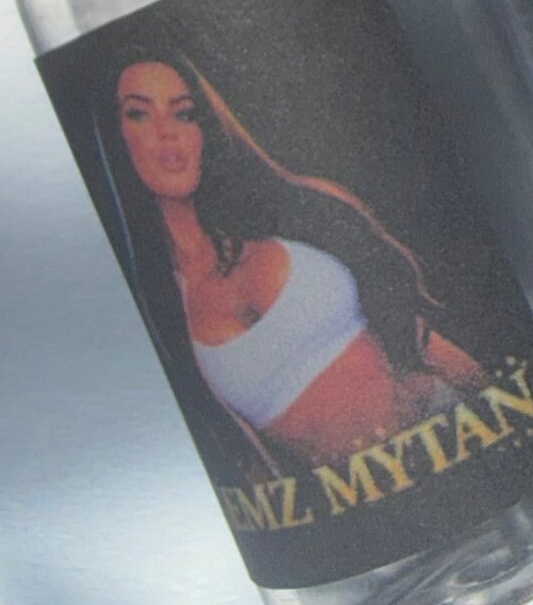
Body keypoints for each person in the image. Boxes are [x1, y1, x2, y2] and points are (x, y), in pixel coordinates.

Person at [98, 51, 482, 474]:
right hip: (363, 499)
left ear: (204, 127)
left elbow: (419, 336)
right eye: (139, 114)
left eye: (184, 114)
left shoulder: (295, 213)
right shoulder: (153, 306)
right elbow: (253, 464)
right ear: (114, 140)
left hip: (451, 426)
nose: (168, 132)